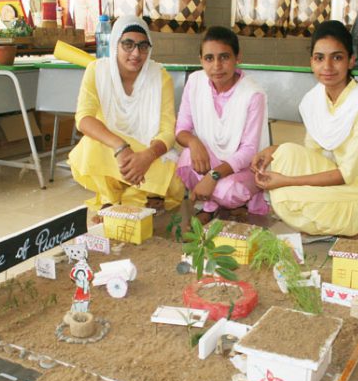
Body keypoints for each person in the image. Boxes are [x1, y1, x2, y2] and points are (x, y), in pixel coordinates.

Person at [252, 21, 358, 246]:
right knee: (284, 154)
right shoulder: (314, 99)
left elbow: (346, 175)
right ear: (311, 62)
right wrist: (272, 151)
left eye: (337, 57)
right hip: (335, 171)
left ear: (351, 61)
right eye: (319, 58)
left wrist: (287, 181)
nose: (327, 66)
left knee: (285, 197)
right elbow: (312, 155)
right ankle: (337, 225)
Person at [69, 15, 184, 220]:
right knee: (90, 145)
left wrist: (147, 157)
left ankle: (134, 200)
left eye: (143, 46)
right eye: (128, 45)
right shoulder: (97, 71)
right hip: (114, 149)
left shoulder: (160, 77)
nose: (136, 53)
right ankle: (113, 199)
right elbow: (84, 118)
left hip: (147, 149)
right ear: (115, 44)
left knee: (175, 172)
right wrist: (120, 147)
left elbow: (168, 131)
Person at [175, 26, 269, 224]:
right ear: (201, 60)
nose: (217, 66)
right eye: (209, 58)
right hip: (212, 159)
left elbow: (249, 151)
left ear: (237, 57)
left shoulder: (253, 94)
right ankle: (211, 205)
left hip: (245, 168)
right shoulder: (195, 82)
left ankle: (228, 202)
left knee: (228, 191)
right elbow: (181, 129)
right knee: (185, 159)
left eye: (224, 57)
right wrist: (194, 142)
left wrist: (214, 176)